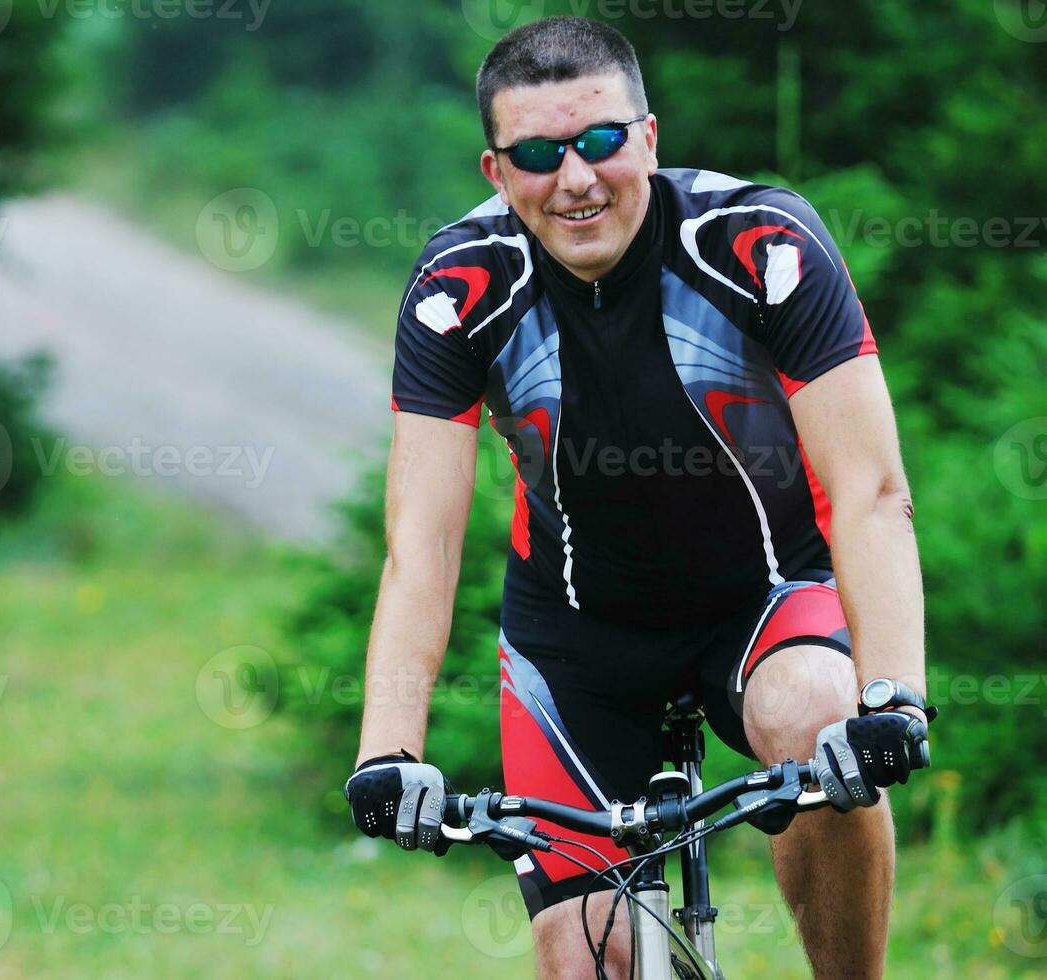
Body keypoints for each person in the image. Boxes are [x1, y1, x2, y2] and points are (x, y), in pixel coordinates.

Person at [342, 16, 933, 979]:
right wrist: (387, 750)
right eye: (538, 152)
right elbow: (423, 542)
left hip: (768, 601)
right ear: (496, 170)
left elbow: (869, 490)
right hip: (579, 639)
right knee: (587, 965)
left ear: (649, 138)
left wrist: (893, 695)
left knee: (818, 713)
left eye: (601, 141)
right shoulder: (460, 289)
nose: (575, 179)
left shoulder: (754, 243)